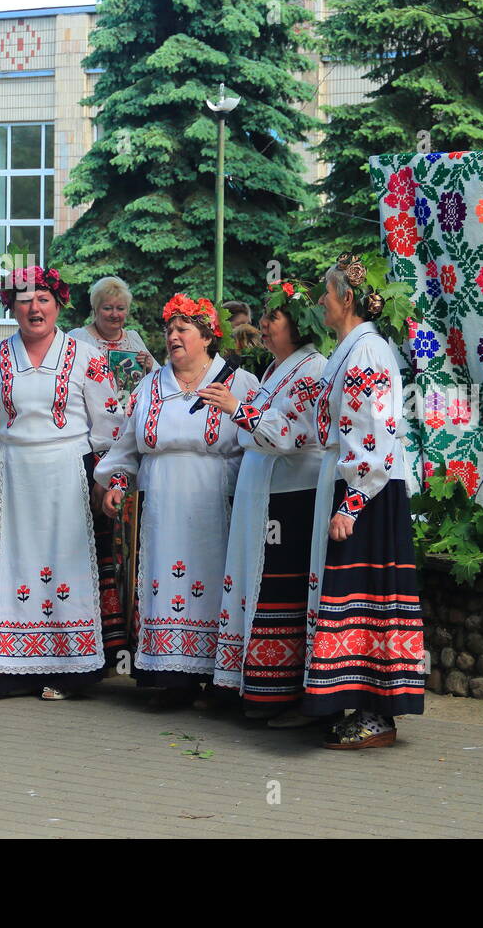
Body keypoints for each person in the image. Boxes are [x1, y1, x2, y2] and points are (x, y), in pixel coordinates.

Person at [0, 266, 125, 700]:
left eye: (44, 299)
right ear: (11, 307)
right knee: (15, 566)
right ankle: (9, 670)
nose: (35, 307)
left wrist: (106, 480)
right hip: (14, 477)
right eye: (25, 299)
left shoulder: (87, 357)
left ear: (58, 305)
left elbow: (108, 426)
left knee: (68, 564)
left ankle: (72, 670)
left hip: (70, 475)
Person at [95, 295, 258, 707]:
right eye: (169, 330)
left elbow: (258, 443)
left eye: (182, 329)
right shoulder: (151, 385)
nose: (172, 336)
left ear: (207, 335)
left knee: (215, 585)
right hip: (161, 505)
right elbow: (126, 447)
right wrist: (116, 482)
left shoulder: (239, 383)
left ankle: (218, 680)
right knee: (163, 583)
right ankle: (170, 678)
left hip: (214, 505)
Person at [297, 254, 425, 747]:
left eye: (325, 296)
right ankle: (362, 708)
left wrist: (351, 504)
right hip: (360, 482)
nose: (320, 305)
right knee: (359, 598)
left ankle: (377, 715)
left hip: (368, 489)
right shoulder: (350, 351)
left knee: (369, 595)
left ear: (346, 298)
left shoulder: (366, 352)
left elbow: (375, 431)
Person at [202, 280, 328, 725]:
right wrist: (241, 415)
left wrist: (239, 409)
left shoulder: (314, 369)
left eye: (273, 316)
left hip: (293, 498)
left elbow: (291, 436)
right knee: (259, 586)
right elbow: (251, 432)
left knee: (283, 590)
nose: (263, 324)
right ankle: (260, 688)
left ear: (298, 325)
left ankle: (290, 695)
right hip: (264, 495)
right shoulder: (276, 369)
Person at [69, 276, 158, 373]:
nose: (114, 315)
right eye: (107, 308)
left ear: (127, 311)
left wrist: (149, 367)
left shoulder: (133, 339)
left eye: (120, 308)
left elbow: (158, 379)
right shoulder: (78, 338)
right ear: (95, 309)